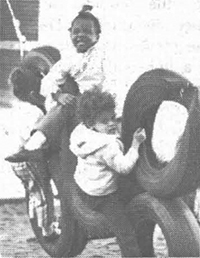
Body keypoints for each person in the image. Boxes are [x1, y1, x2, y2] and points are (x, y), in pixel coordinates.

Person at [5, 4, 109, 163]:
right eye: (76, 32)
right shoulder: (70, 59)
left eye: (87, 32)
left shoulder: (102, 57)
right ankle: (36, 145)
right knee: (63, 105)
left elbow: (113, 81)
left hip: (99, 101)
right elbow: (50, 79)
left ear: (97, 36)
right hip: (78, 103)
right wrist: (58, 95)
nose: (80, 35)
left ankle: (38, 144)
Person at [70, 87, 146, 257]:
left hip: (84, 185)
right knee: (126, 233)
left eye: (113, 117)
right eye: (105, 121)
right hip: (103, 196)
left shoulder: (81, 131)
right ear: (91, 124)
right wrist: (135, 145)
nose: (112, 123)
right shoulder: (106, 146)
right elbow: (124, 168)